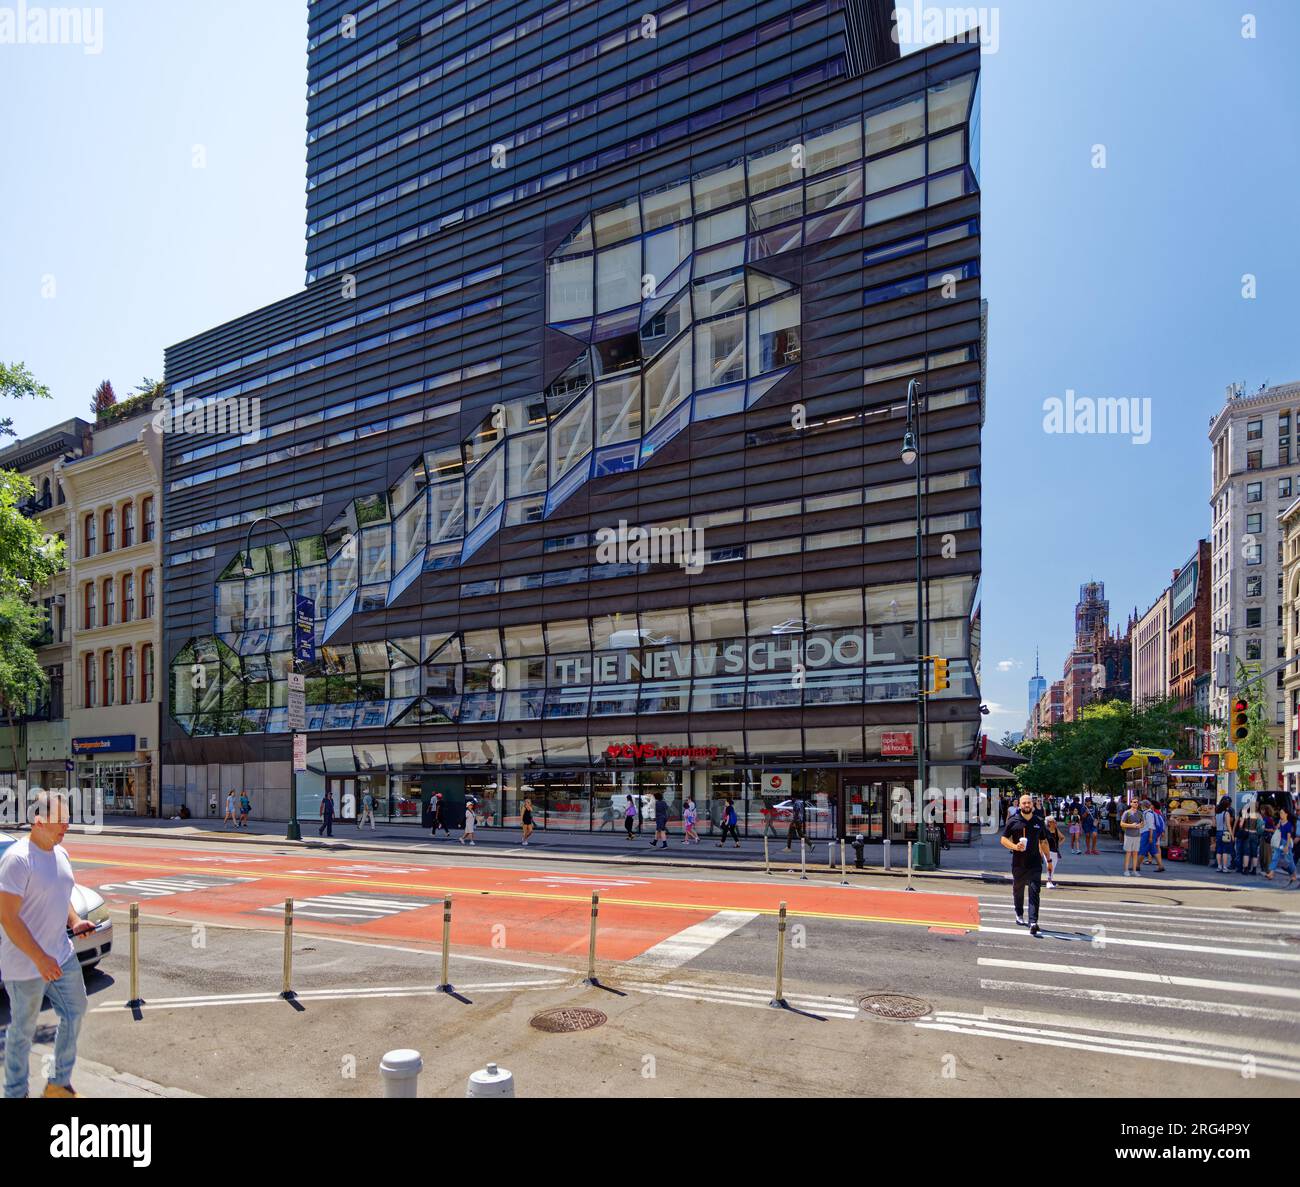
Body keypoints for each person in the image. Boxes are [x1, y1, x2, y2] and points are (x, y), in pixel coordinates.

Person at [0, 791, 97, 1098]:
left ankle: (57, 1084)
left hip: (61, 956)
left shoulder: (60, 853)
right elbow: (7, 917)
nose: (66, 826)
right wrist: (40, 958)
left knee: (75, 1011)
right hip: (26, 963)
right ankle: (16, 1093)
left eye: (67, 820)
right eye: (61, 821)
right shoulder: (17, 860)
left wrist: (74, 922)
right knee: (23, 1031)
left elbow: (61, 891)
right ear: (39, 821)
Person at [1000, 792, 1050, 936]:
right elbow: (1003, 839)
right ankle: (1019, 913)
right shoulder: (1013, 821)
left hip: (1035, 863)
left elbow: (1043, 841)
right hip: (1018, 863)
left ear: (1032, 805)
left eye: (1029, 802)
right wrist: (1015, 847)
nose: (1027, 805)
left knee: (1035, 892)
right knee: (1018, 890)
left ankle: (1033, 921)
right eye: (1024, 803)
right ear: (1020, 805)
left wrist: (1049, 860)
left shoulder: (1038, 821)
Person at [1264, 807, 1296, 886]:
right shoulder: (1280, 822)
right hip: (1280, 842)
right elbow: (1277, 830)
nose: (1280, 814)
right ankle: (1271, 873)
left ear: (1286, 814)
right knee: (1275, 856)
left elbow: (1289, 836)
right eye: (1280, 813)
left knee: (1289, 861)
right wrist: (1277, 826)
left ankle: (1294, 874)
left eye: (1282, 813)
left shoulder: (1288, 824)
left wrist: (1287, 846)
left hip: (1286, 843)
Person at [1138, 798, 1163, 872]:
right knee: (1154, 851)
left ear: (1144, 805)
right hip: (1148, 833)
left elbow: (1151, 826)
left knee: (1142, 850)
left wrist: (1150, 837)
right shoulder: (1147, 813)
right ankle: (1160, 866)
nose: (1140, 806)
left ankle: (1137, 866)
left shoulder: (1148, 814)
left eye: (1141, 804)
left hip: (1147, 833)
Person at [1120, 799, 1143, 876]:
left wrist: (1140, 825)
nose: (1136, 803)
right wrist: (1131, 825)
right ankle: (1126, 870)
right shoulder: (1127, 812)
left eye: (1137, 802)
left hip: (1137, 835)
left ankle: (1134, 870)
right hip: (1128, 835)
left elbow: (1142, 823)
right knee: (1128, 852)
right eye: (1134, 802)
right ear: (1131, 803)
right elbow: (1122, 823)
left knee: (1135, 853)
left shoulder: (1140, 813)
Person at [1214, 795, 1235, 873]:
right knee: (1225, 851)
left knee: (1219, 851)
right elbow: (1228, 825)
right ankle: (1225, 867)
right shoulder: (1226, 813)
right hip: (1225, 832)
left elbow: (1214, 824)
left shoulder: (1217, 814)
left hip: (1218, 832)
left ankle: (1219, 866)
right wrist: (1232, 835)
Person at [1044, 815, 1063, 889]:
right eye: (1053, 821)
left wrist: (1058, 845)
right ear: (1049, 823)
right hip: (1048, 851)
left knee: (1053, 867)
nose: (1055, 822)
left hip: (1055, 851)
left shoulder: (1056, 830)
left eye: (1055, 821)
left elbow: (1062, 838)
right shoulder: (1045, 831)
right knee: (1050, 866)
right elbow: (1042, 841)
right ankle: (1048, 882)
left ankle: (1050, 881)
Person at [1259, 804, 1275, 875]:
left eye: (1262, 810)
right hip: (1263, 837)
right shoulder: (1264, 818)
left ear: (1265, 811)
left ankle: (1268, 870)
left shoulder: (1269, 819)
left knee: (1267, 855)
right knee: (1262, 853)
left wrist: (1264, 829)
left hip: (1267, 838)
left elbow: (1273, 830)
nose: (1261, 811)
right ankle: (1264, 869)